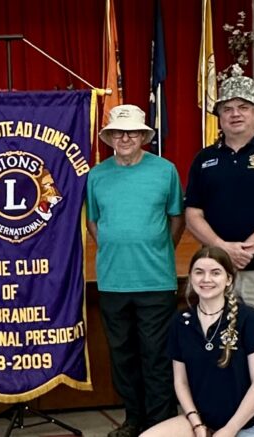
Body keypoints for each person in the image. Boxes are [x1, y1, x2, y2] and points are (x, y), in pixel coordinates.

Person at [184, 65, 254, 437]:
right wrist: (223, 251)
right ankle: (229, 425)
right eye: (228, 107)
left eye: (244, 106)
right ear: (217, 114)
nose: (235, 113)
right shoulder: (204, 159)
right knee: (222, 355)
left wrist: (245, 249)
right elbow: (192, 215)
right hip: (216, 277)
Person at [88, 104, 185, 437]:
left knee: (157, 355)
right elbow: (93, 221)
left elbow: (177, 217)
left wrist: (159, 250)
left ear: (144, 136)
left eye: (132, 132)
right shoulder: (97, 174)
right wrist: (114, 248)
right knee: (123, 356)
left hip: (156, 280)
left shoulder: (165, 170)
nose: (125, 137)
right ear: (110, 136)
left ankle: (160, 422)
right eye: (118, 131)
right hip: (113, 281)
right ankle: (133, 420)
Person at [142, 246, 254, 437]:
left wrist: (230, 430)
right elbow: (181, 382)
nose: (206, 279)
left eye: (215, 273)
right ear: (191, 277)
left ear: (228, 279)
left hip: (246, 426)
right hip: (201, 423)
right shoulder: (181, 321)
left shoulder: (248, 318)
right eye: (199, 272)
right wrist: (196, 423)